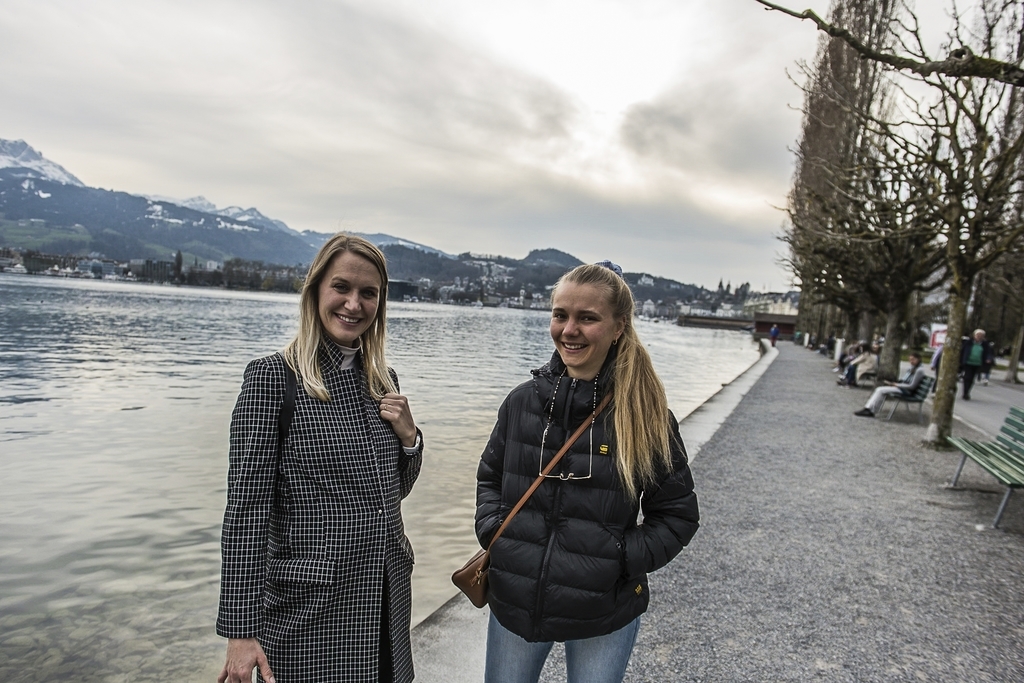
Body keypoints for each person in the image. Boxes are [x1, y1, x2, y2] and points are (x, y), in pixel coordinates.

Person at [475, 262, 700, 683]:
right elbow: (490, 477)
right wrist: (497, 536)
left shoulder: (645, 416)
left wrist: (615, 559)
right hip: (517, 597)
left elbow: (677, 517)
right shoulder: (521, 403)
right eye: (560, 315)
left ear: (618, 327)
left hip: (605, 607)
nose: (569, 329)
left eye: (587, 318)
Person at [216, 234, 424, 683]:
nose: (354, 304)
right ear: (315, 292)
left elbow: (392, 491)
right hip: (309, 609)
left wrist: (410, 439)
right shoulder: (272, 379)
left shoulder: (383, 381)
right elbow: (246, 512)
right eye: (342, 288)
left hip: (385, 599)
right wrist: (240, 632)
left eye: (369, 293)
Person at [854, 352, 926, 417]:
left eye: (913, 360)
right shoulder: (913, 368)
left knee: (880, 390)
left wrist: (897, 385)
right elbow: (905, 380)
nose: (911, 362)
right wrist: (895, 383)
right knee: (881, 390)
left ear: (918, 359)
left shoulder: (919, 370)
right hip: (902, 388)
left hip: (907, 391)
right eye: (910, 360)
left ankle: (869, 409)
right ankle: (870, 409)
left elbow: (912, 386)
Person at [959, 329, 995, 400]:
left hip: (977, 364)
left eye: (981, 336)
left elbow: (988, 353)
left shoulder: (985, 344)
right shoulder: (968, 342)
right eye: (977, 335)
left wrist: (988, 359)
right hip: (968, 363)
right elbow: (962, 351)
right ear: (974, 335)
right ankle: (965, 393)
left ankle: (967, 391)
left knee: (972, 379)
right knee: (967, 377)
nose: (979, 337)